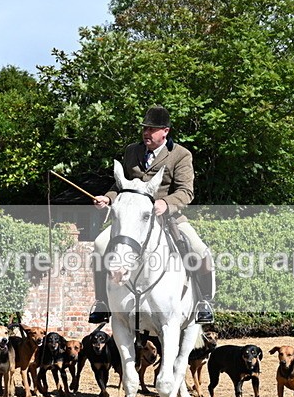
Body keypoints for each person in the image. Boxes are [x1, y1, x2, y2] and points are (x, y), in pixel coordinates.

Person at [88, 105, 215, 324]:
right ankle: (102, 302)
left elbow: (186, 192)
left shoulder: (181, 155)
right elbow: (120, 185)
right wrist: (108, 198)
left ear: (165, 131)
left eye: (151, 129)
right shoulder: (132, 151)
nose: (146, 133)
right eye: (144, 128)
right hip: (132, 219)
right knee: (99, 245)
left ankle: (204, 302)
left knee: (199, 250)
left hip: (168, 217)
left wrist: (165, 203)